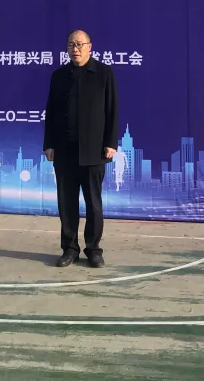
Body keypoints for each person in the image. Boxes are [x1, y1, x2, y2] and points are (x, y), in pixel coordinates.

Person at [43, 29, 119, 268]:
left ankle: (93, 249)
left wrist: (111, 143)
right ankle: (70, 248)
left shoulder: (103, 73)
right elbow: (51, 112)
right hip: (64, 150)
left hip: (93, 150)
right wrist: (49, 143)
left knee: (93, 203)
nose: (75, 49)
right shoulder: (59, 76)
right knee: (67, 203)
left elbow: (112, 110)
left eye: (79, 44)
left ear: (89, 47)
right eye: (71, 44)